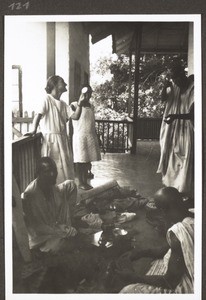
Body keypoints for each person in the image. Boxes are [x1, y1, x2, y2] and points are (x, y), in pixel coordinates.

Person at [22, 157, 99, 292]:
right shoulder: (31, 196)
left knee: (70, 184)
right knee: (71, 246)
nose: (52, 174)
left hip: (55, 226)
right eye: (47, 171)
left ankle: (70, 227)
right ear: (38, 173)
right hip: (42, 238)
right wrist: (63, 231)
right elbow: (39, 228)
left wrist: (65, 224)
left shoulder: (51, 186)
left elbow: (62, 193)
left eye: (54, 171)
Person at [116, 187, 194, 294]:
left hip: (193, 286)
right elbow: (168, 248)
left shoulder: (178, 232)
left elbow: (169, 281)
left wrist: (133, 277)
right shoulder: (192, 215)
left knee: (127, 291)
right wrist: (140, 253)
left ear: (162, 211)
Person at [25, 75, 74, 184]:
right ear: (55, 84)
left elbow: (72, 117)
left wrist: (80, 103)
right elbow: (38, 115)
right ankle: (52, 194)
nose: (65, 84)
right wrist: (33, 130)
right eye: (62, 82)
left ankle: (64, 193)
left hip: (62, 139)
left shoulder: (63, 104)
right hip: (51, 140)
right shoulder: (47, 99)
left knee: (65, 167)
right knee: (54, 167)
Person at [157, 61, 194, 197]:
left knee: (184, 158)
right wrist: (165, 86)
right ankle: (171, 189)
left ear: (183, 74)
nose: (176, 81)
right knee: (171, 156)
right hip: (174, 129)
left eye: (177, 77)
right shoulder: (174, 86)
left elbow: (193, 114)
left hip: (187, 129)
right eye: (173, 79)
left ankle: (184, 190)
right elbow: (163, 99)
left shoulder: (193, 88)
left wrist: (175, 116)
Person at [70, 84, 101, 190]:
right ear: (81, 93)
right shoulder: (74, 105)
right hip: (80, 137)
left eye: (90, 93)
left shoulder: (91, 106)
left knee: (87, 160)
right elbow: (74, 117)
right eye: (86, 93)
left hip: (89, 135)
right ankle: (80, 182)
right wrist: (80, 103)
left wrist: (97, 136)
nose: (88, 95)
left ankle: (85, 180)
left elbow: (92, 123)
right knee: (80, 160)